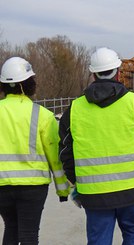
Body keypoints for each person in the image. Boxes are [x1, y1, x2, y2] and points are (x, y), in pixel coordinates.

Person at [59, 47, 134, 245]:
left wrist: (74, 182)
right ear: (119, 72)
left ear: (93, 74)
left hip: (94, 194)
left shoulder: (74, 109)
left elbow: (65, 151)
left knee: (99, 241)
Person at [0, 57, 70, 245]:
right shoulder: (43, 115)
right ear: (27, 84)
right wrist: (63, 190)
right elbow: (55, 157)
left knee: (11, 227)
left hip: (2, 185)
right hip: (33, 187)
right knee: (29, 234)